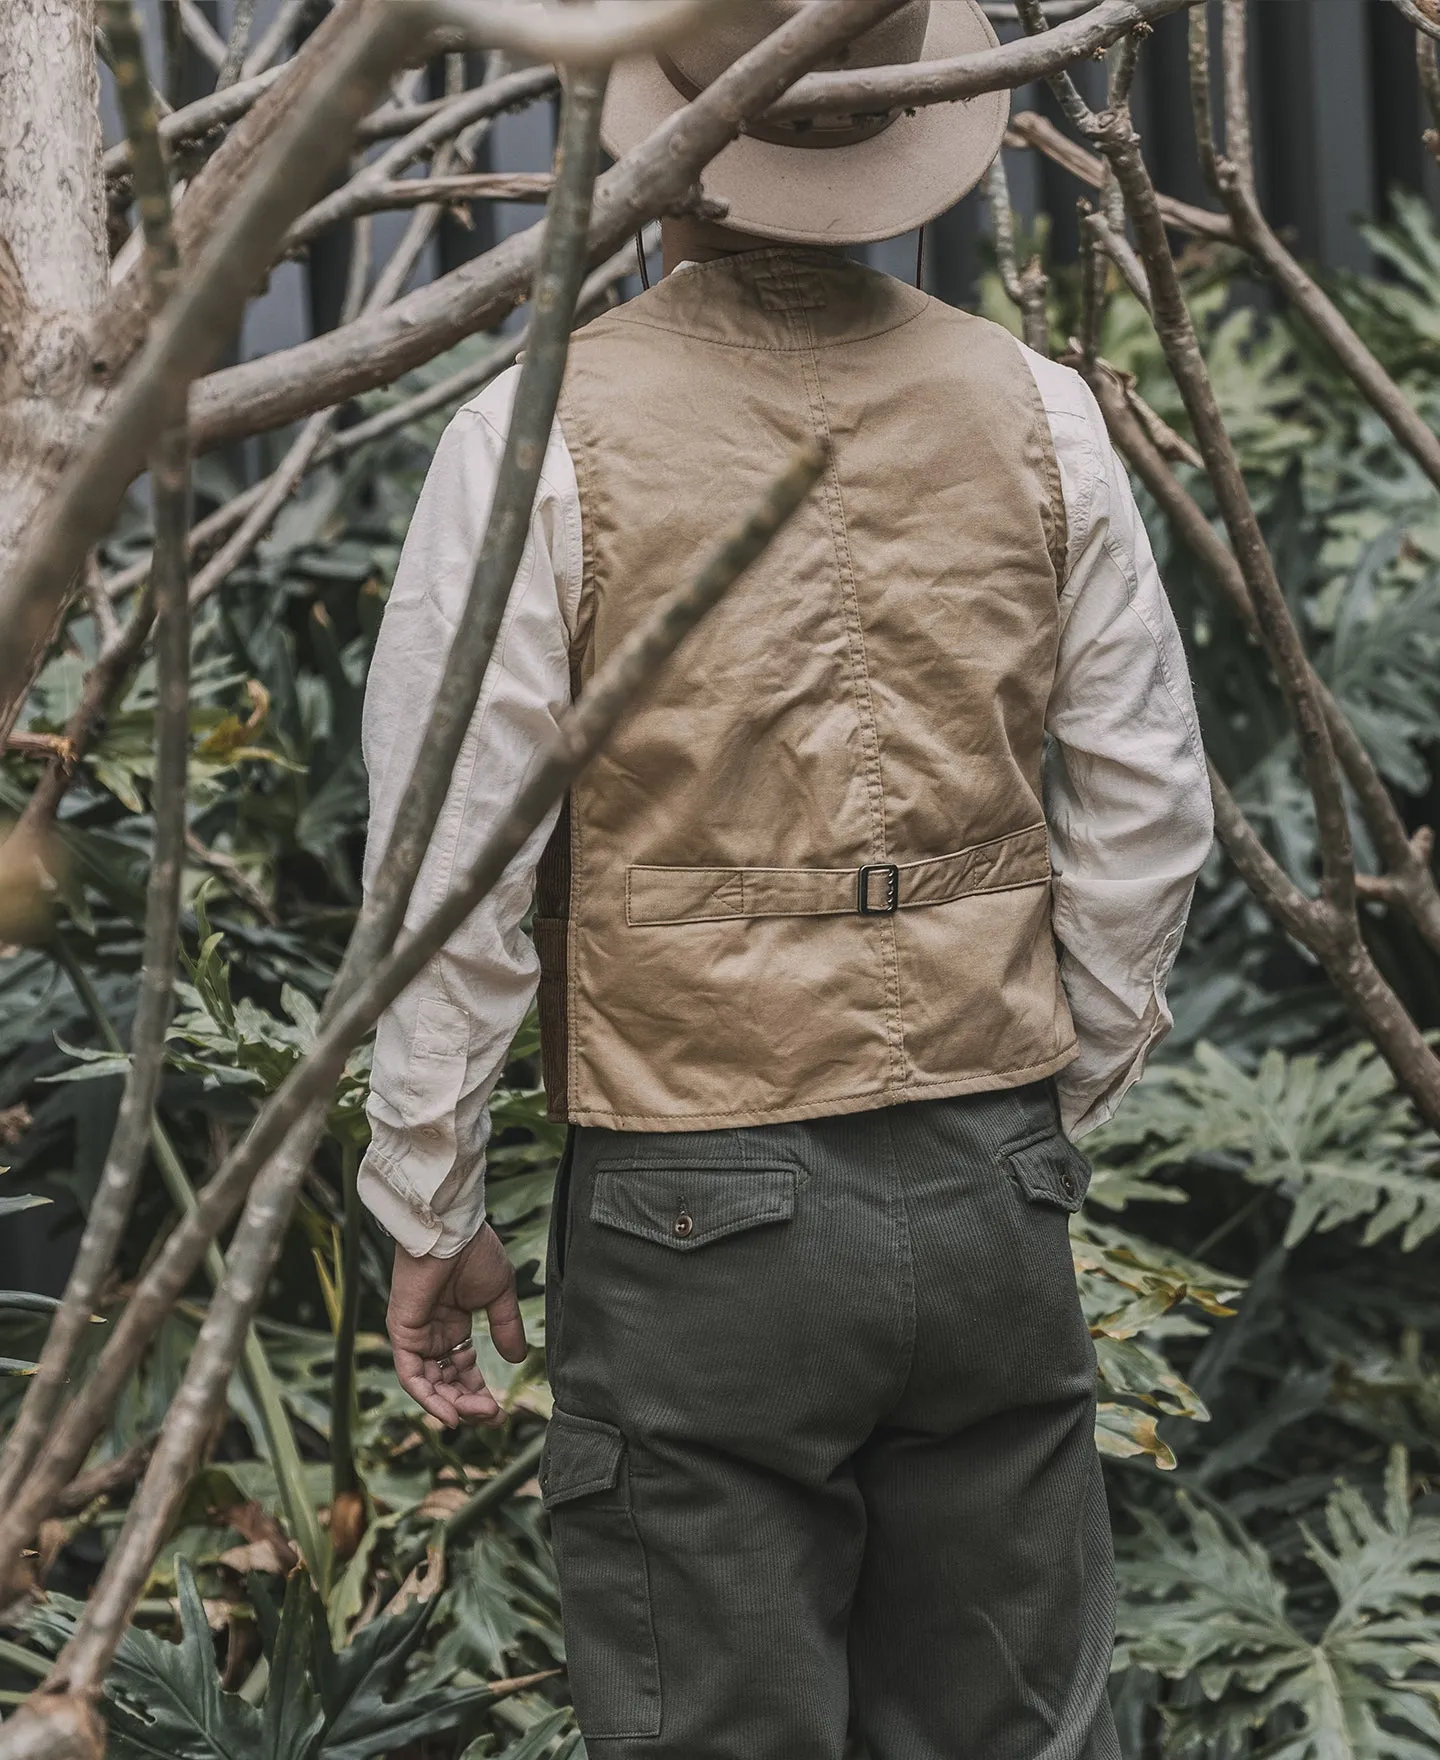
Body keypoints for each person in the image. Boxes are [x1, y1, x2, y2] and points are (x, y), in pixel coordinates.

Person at [359, 3, 1213, 1755]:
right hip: (993, 1186)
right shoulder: (1040, 413)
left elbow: (455, 861)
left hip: (696, 1206)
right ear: (902, 140)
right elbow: (1148, 810)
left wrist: (431, 1198)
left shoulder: (537, 435)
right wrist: (1050, 1091)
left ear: (662, 140)